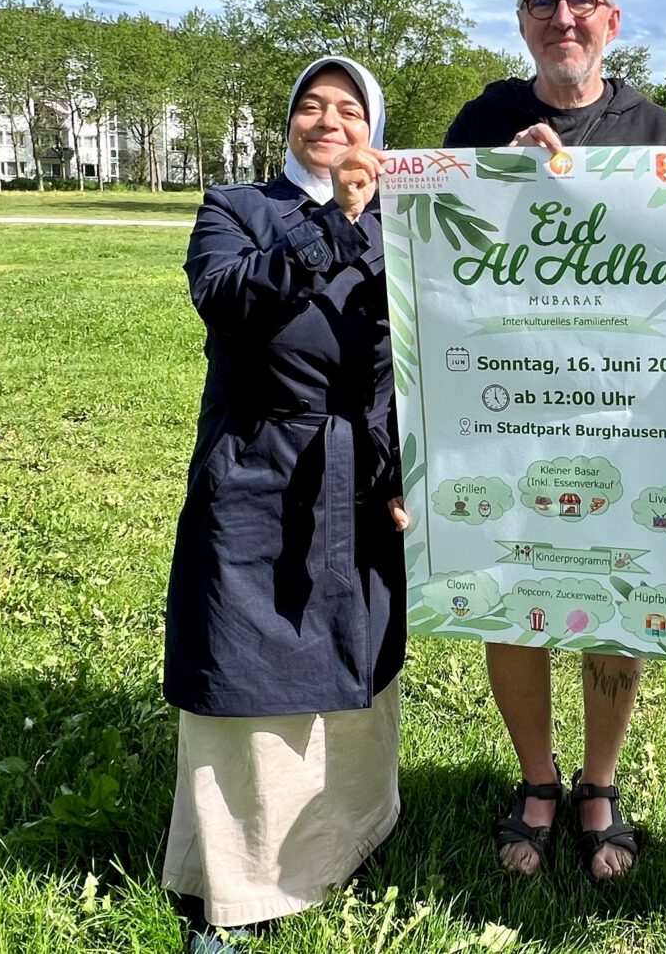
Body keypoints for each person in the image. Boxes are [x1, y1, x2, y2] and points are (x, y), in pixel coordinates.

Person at [444, 0, 666, 883]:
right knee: (512, 588)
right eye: (542, 0)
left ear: (611, 20)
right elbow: (438, 259)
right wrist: (500, 182)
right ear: (522, 19)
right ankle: (538, 778)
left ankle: (599, 783)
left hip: (627, 414)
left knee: (618, 592)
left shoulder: (657, 131)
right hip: (506, 408)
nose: (563, 16)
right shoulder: (482, 121)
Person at [162, 55, 409, 952]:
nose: (329, 121)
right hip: (259, 471)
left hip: (362, 475)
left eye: (350, 109)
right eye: (312, 106)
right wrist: (333, 222)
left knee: (357, 661)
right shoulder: (238, 208)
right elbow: (227, 298)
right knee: (246, 670)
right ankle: (233, 890)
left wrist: (407, 473)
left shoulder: (404, 223)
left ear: (375, 129)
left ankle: (348, 838)